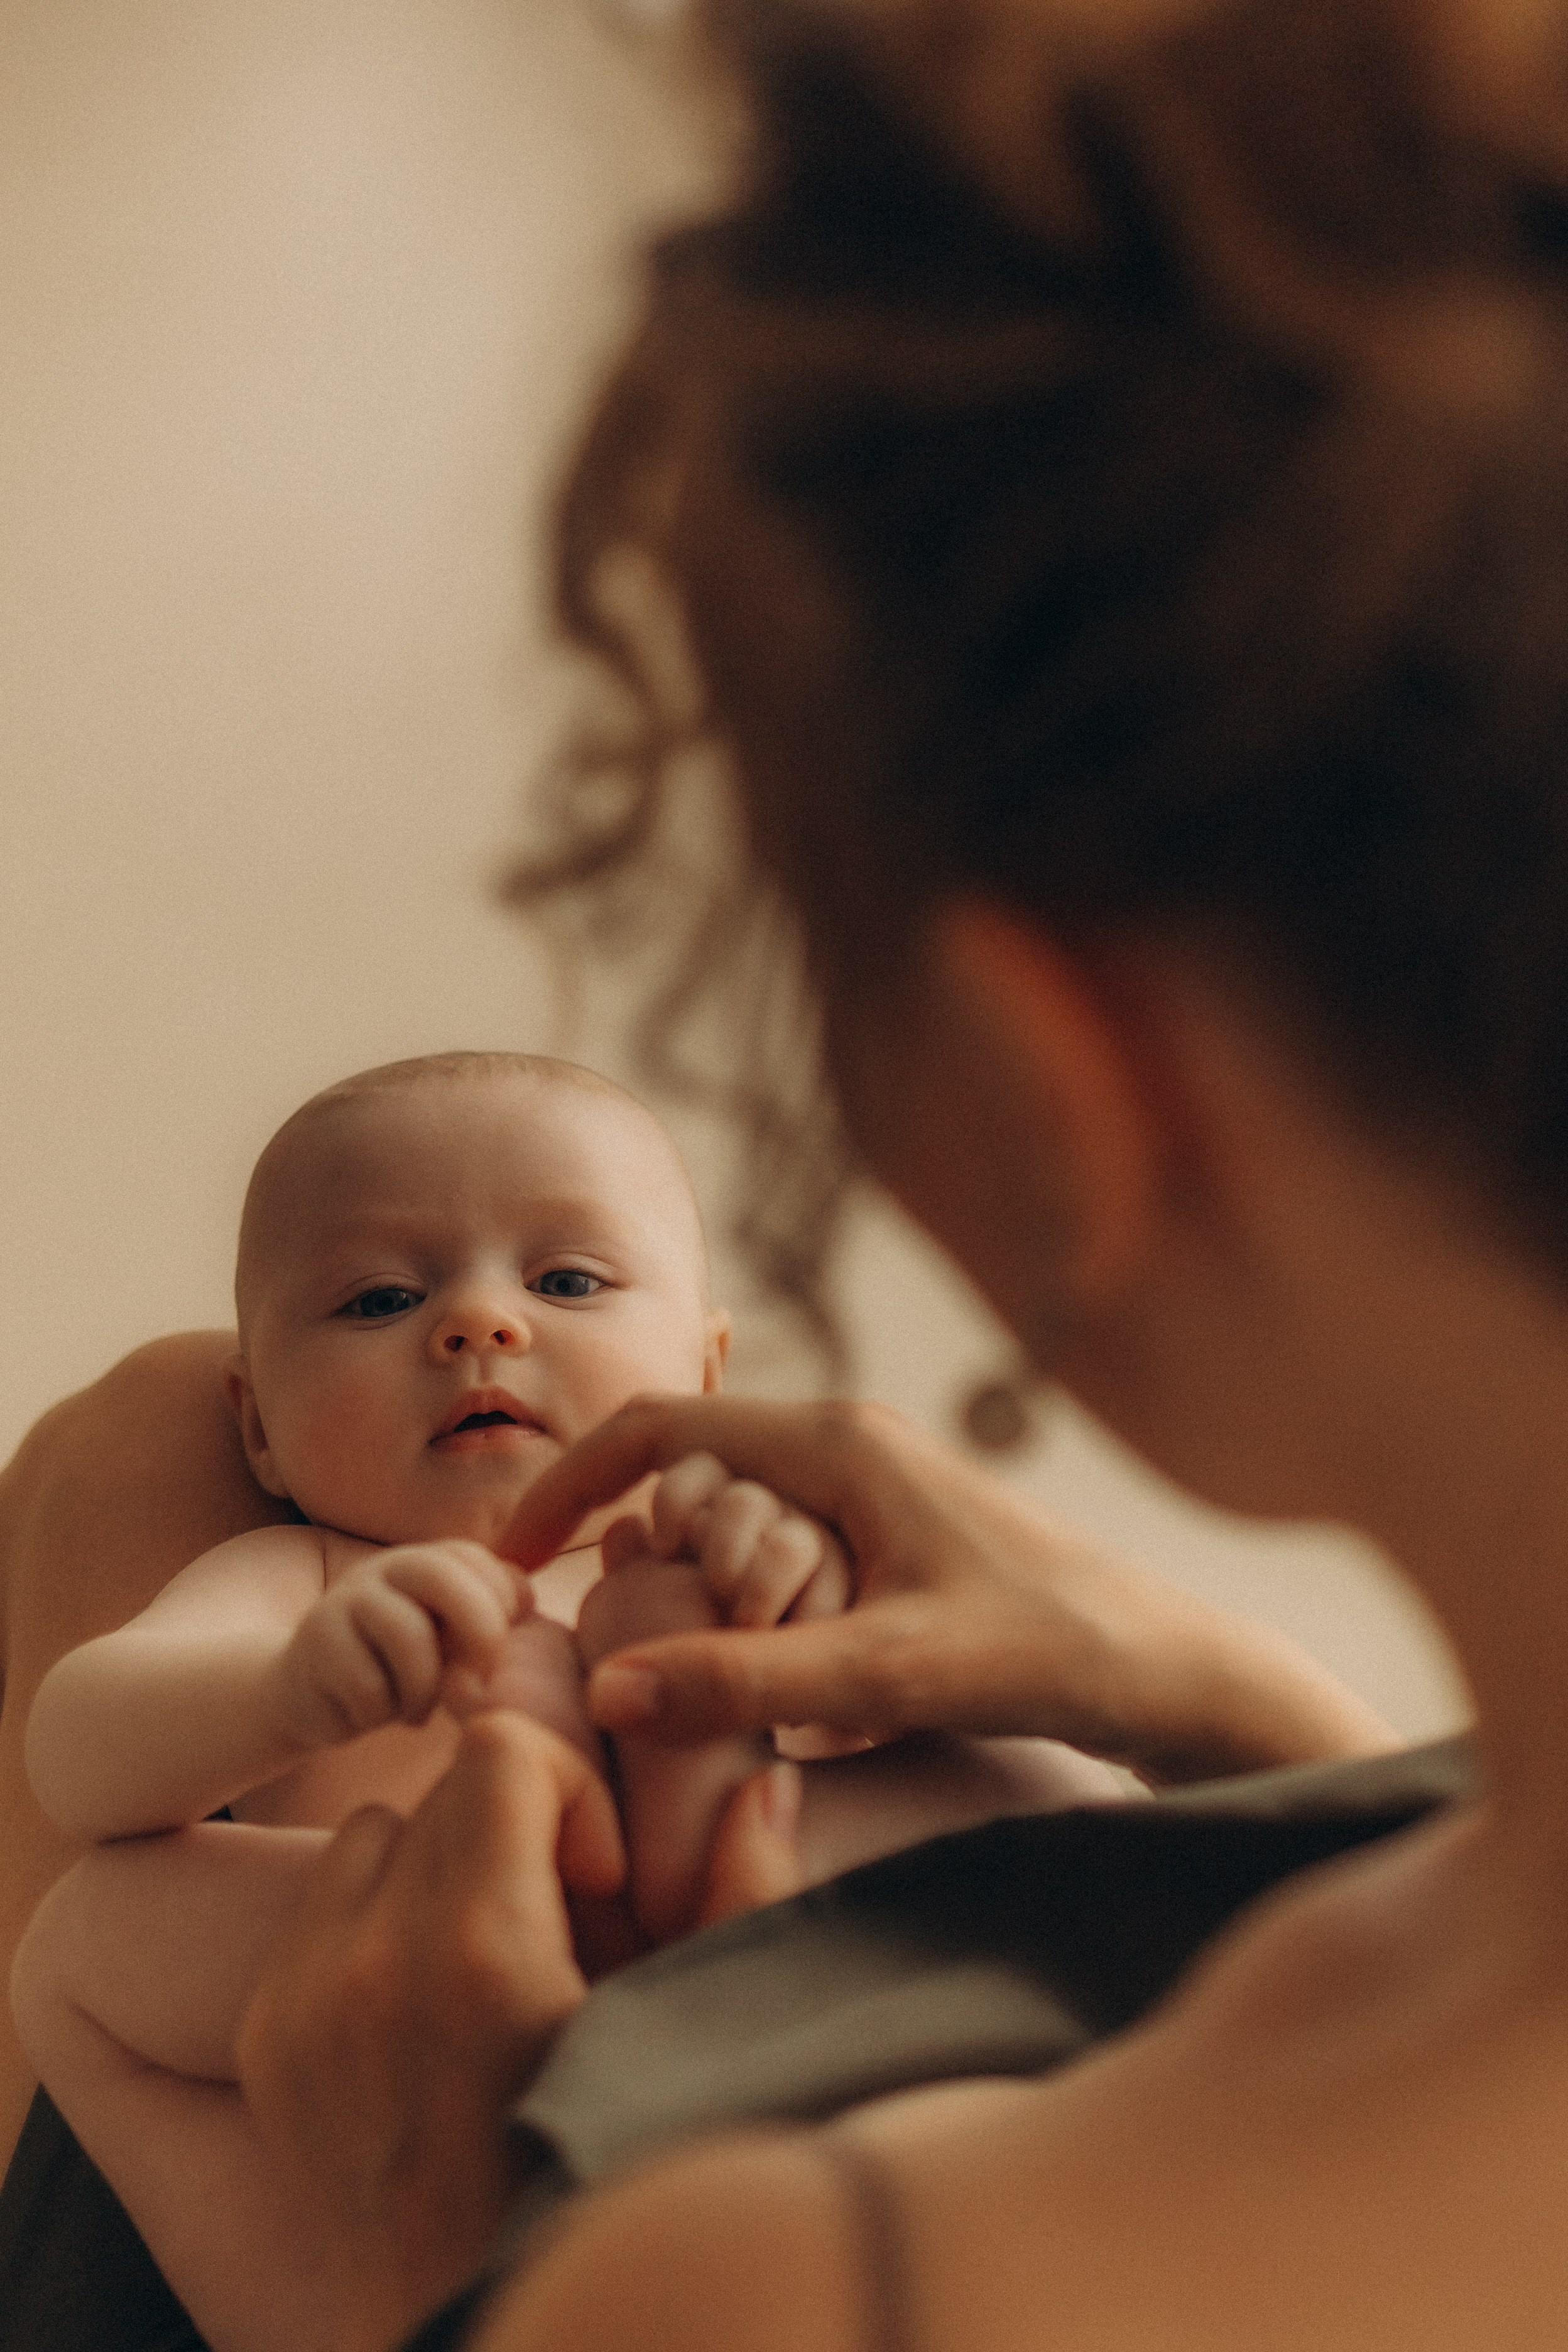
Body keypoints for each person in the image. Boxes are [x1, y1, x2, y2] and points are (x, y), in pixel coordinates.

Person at [207, 0, 1568, 2344]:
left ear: (1074, 1105)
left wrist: (438, 2246)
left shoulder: (819, 2281)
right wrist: (1249, 1717)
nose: (477, 1326)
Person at [7, 1046, 1140, 2352]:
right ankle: (314, 2319)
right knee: (83, 1949)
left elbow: (908, 1698)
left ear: (707, 1377)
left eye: (566, 1281)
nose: (478, 1325)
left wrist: (808, 1585)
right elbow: (79, 1756)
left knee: (1049, 1791)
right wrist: (281, 1685)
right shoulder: (308, 1574)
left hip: (755, 1929)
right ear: (256, 1428)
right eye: (378, 1299)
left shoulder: (733, 1525)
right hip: (400, 1976)